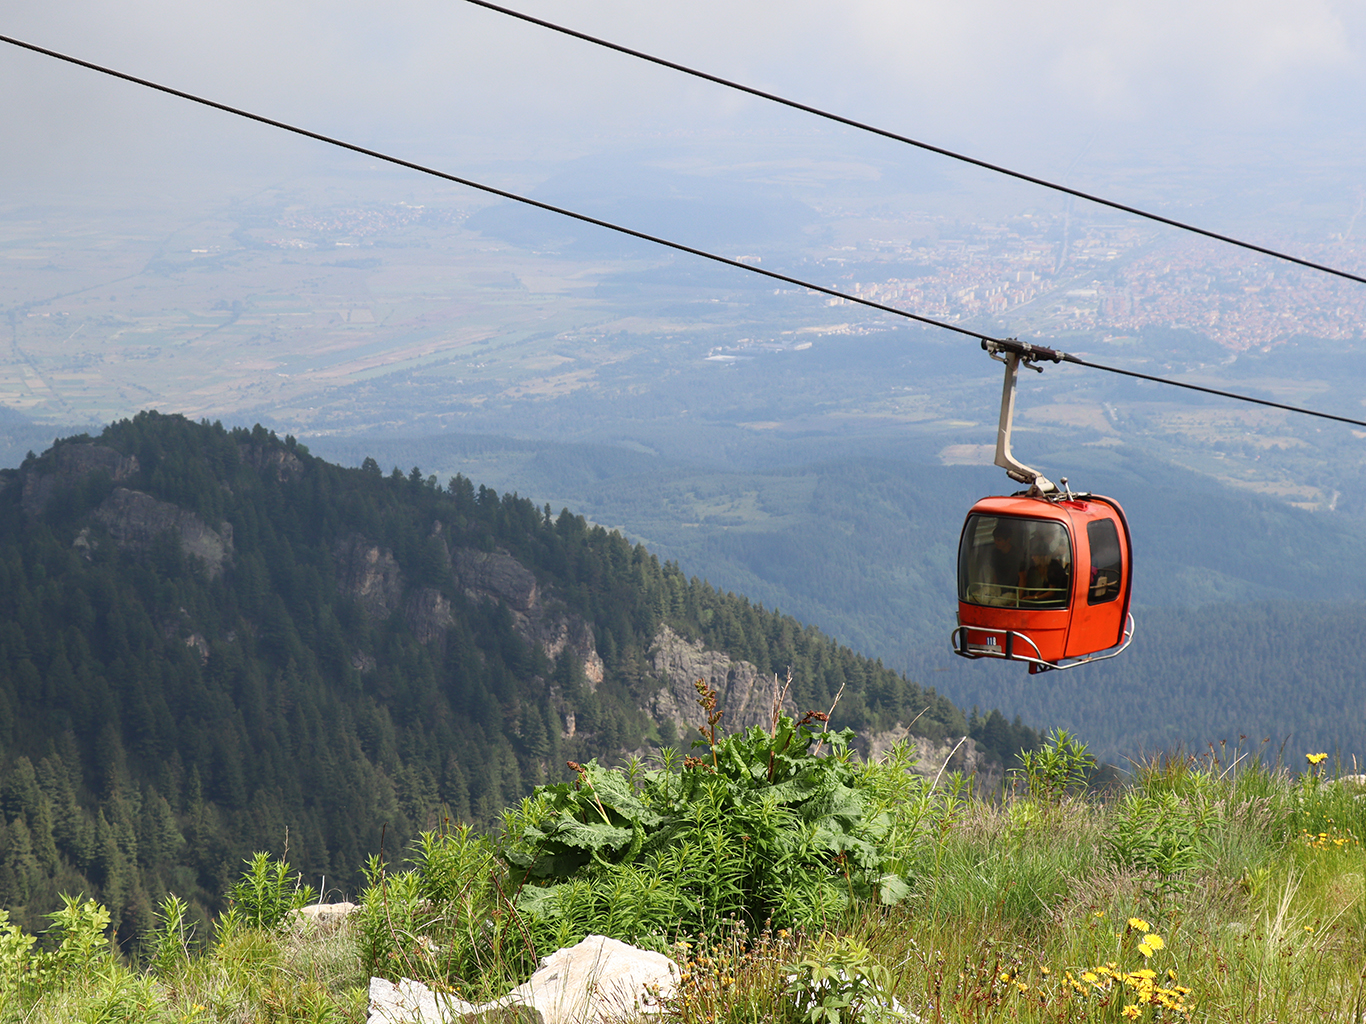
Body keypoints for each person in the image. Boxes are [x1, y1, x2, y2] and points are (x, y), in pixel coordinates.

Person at [988, 521, 1026, 605]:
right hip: (998, 589)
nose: (996, 542)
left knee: (994, 603)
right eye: (995, 539)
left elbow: (1022, 578)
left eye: (999, 540)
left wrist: (1018, 600)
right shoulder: (995, 553)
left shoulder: (1017, 555)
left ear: (1008, 540)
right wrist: (994, 588)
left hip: (1012, 592)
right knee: (975, 598)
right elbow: (995, 574)